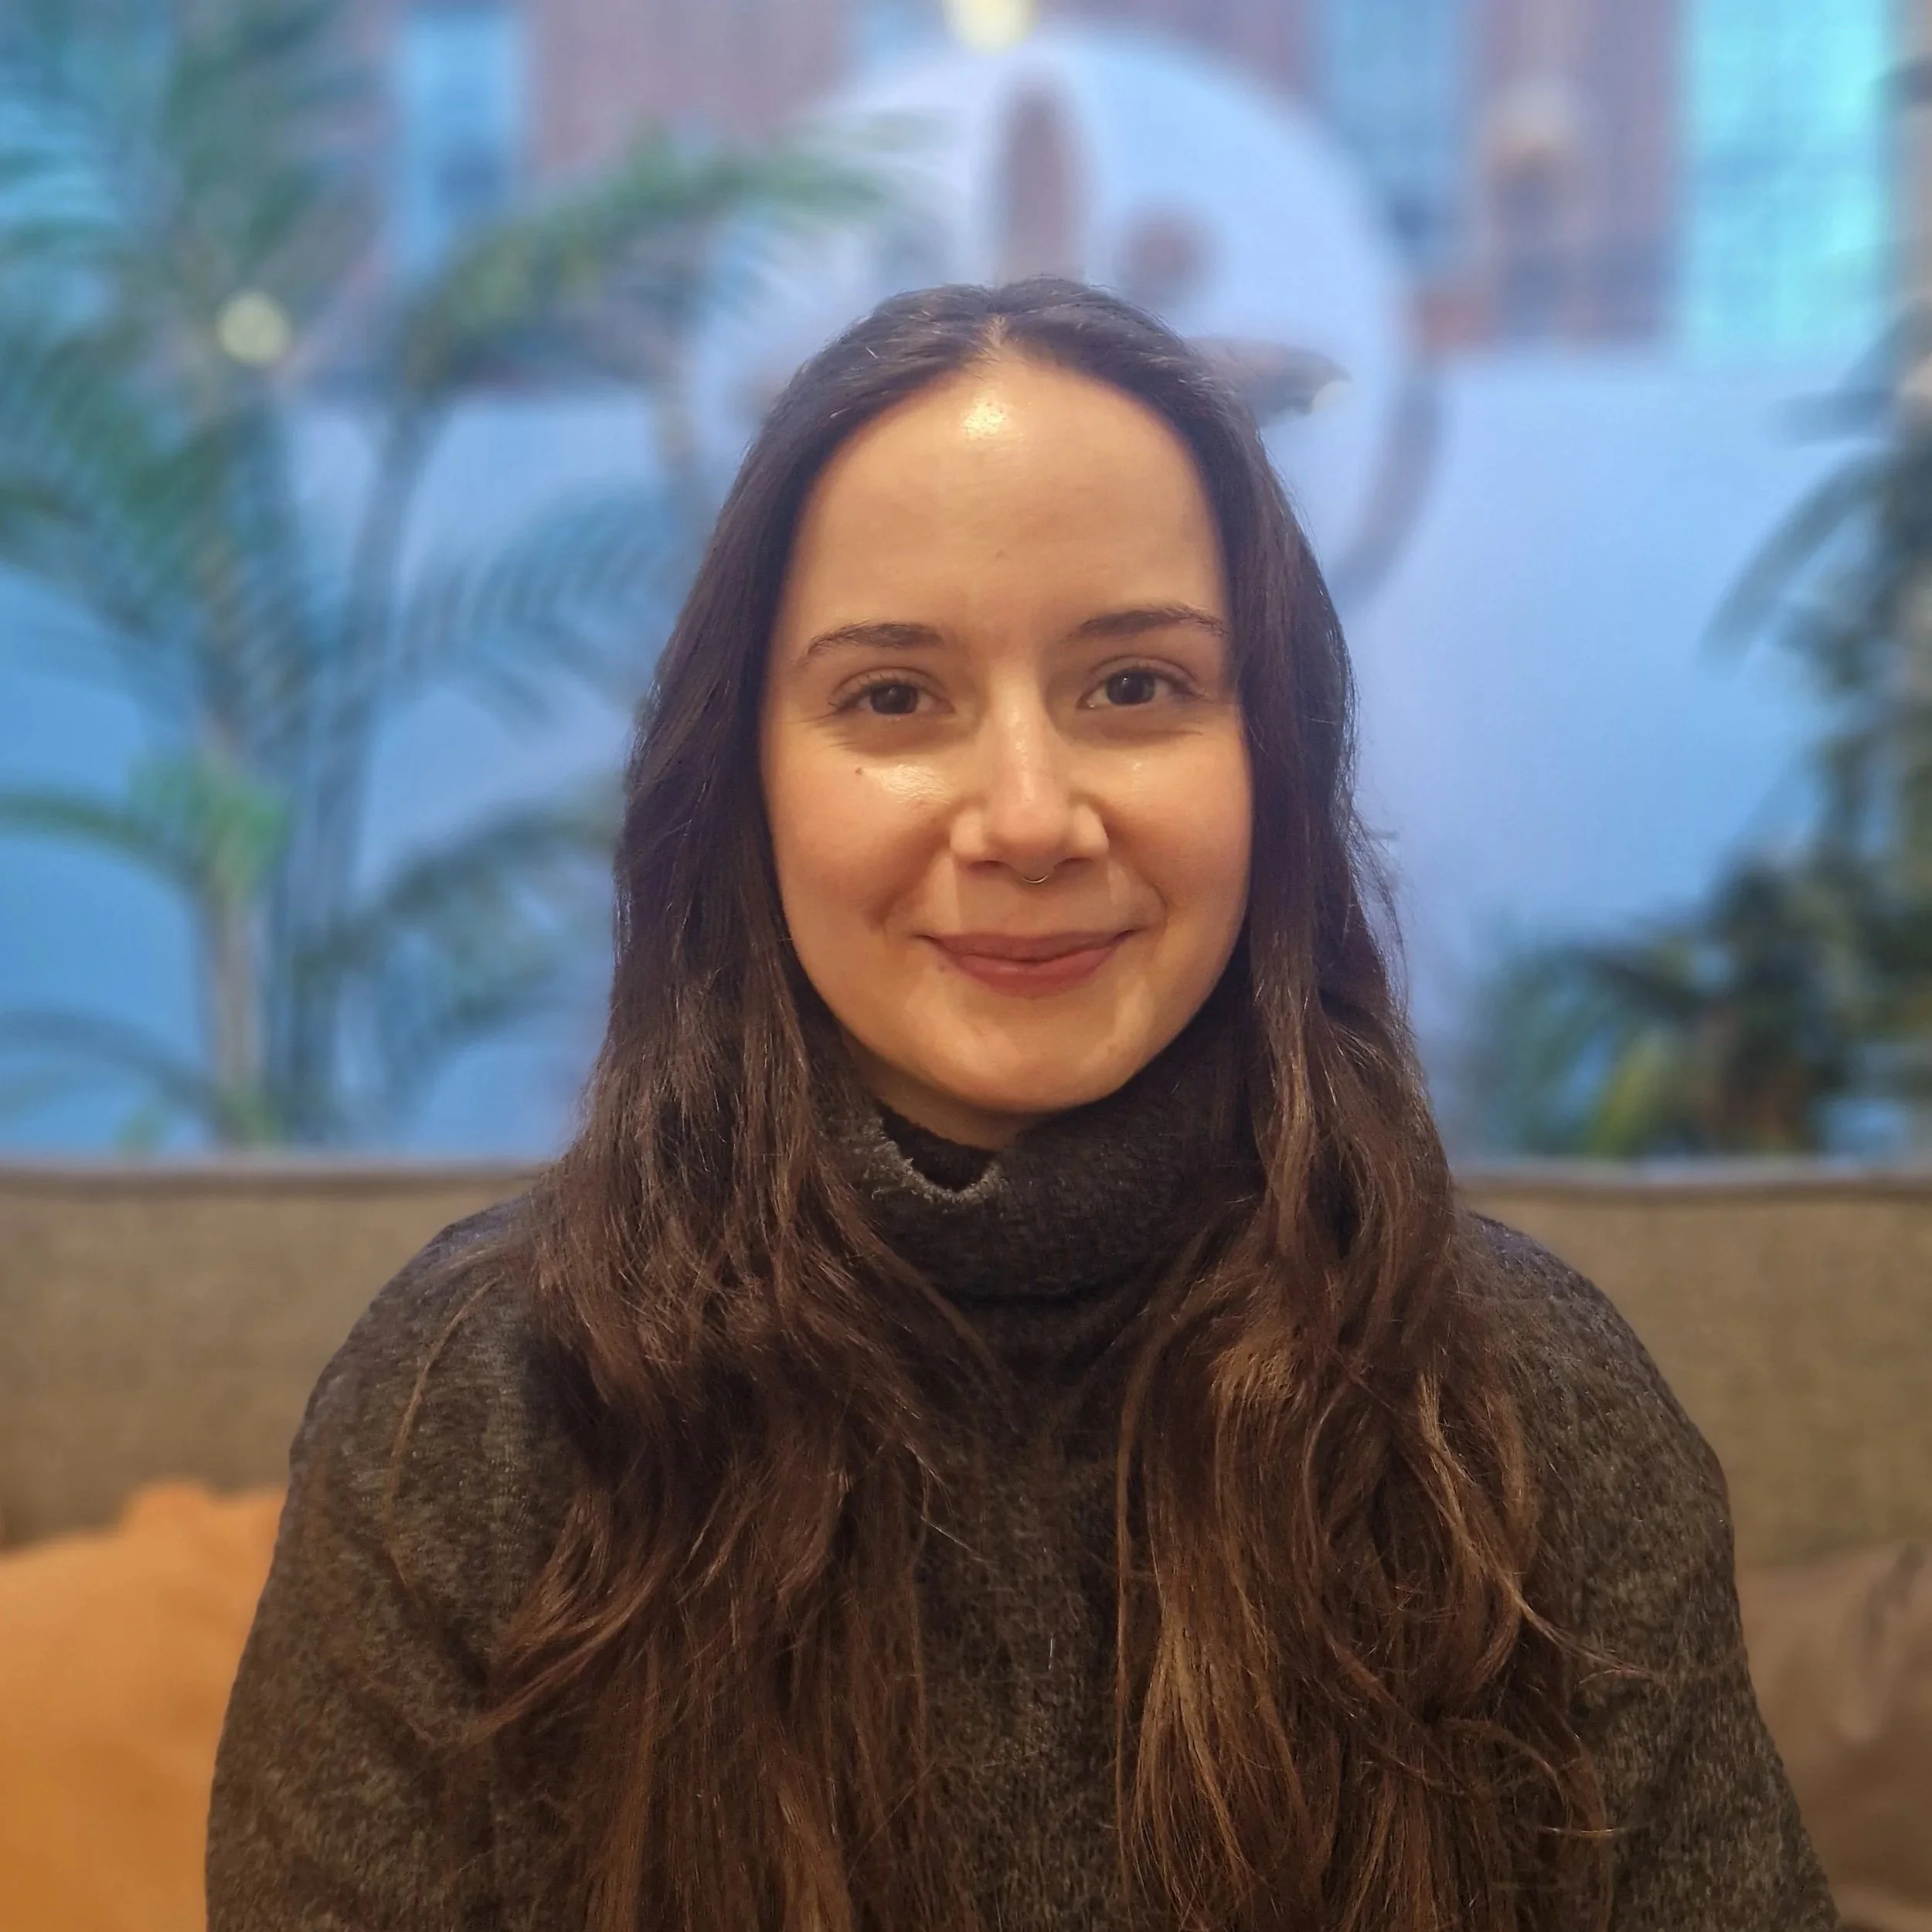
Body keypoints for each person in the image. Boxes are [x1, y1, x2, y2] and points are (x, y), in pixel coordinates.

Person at [206, 279, 1839, 1932]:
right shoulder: (474, 1410)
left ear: (1269, 758)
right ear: (741, 778)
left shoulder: (1521, 1402)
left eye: (1133, 686)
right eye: (892, 697)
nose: (1028, 816)